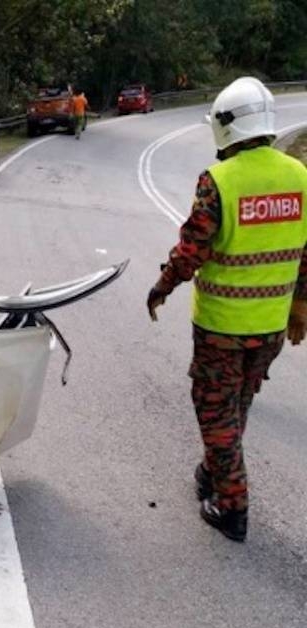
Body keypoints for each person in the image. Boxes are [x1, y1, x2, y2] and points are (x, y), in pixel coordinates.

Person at [146, 76, 307, 542]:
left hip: (222, 327)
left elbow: (192, 251)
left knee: (214, 411)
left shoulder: (218, 181)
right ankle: (211, 472)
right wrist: (300, 306)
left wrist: (161, 286)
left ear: (225, 126)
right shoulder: (300, 177)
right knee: (235, 406)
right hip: (271, 326)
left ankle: (231, 504)